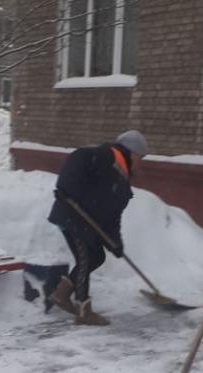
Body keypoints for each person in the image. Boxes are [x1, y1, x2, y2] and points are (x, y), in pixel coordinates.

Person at [46, 130, 149, 325]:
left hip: (83, 222)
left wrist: (115, 243)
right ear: (132, 152)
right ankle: (83, 309)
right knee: (86, 258)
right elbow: (76, 159)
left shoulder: (122, 183)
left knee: (96, 256)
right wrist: (66, 190)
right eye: (141, 157)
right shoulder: (105, 156)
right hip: (72, 214)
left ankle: (61, 294)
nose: (141, 162)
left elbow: (113, 218)